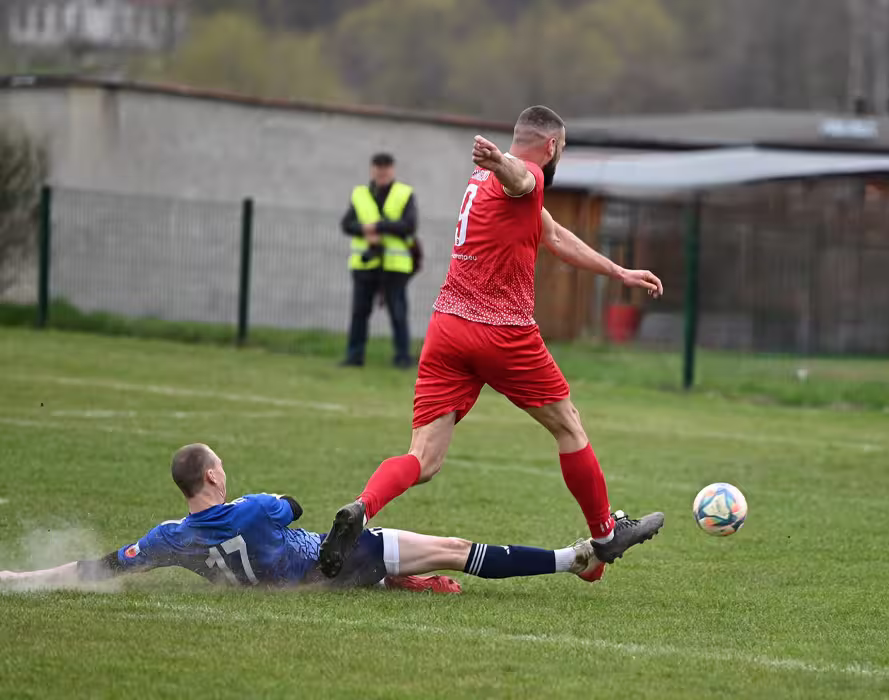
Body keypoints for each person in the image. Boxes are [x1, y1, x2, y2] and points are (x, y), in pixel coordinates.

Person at [318, 106, 665, 581]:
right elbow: (521, 179)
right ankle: (605, 534)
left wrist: (617, 271)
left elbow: (555, 235)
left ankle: (361, 507)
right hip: (502, 331)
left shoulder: (479, 182)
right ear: (551, 146)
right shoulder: (520, 176)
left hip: (446, 328)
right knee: (568, 425)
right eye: (560, 149)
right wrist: (503, 161)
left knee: (422, 458)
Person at [0, 444, 604, 591]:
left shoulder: (169, 540)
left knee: (422, 569)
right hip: (331, 557)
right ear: (211, 476)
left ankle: (398, 583)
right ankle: (569, 560)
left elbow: (99, 566)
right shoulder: (256, 508)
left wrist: (17, 580)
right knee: (451, 547)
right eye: (221, 464)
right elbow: (292, 505)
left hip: (307, 585)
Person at [341, 152, 420, 369]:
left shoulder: (404, 194)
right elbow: (347, 224)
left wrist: (376, 227)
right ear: (372, 169)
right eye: (378, 167)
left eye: (386, 168)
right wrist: (364, 231)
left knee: (398, 312)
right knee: (359, 311)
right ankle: (354, 356)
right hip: (365, 263)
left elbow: (409, 225)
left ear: (392, 170)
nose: (382, 172)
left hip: (395, 266)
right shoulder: (360, 194)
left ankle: (403, 357)